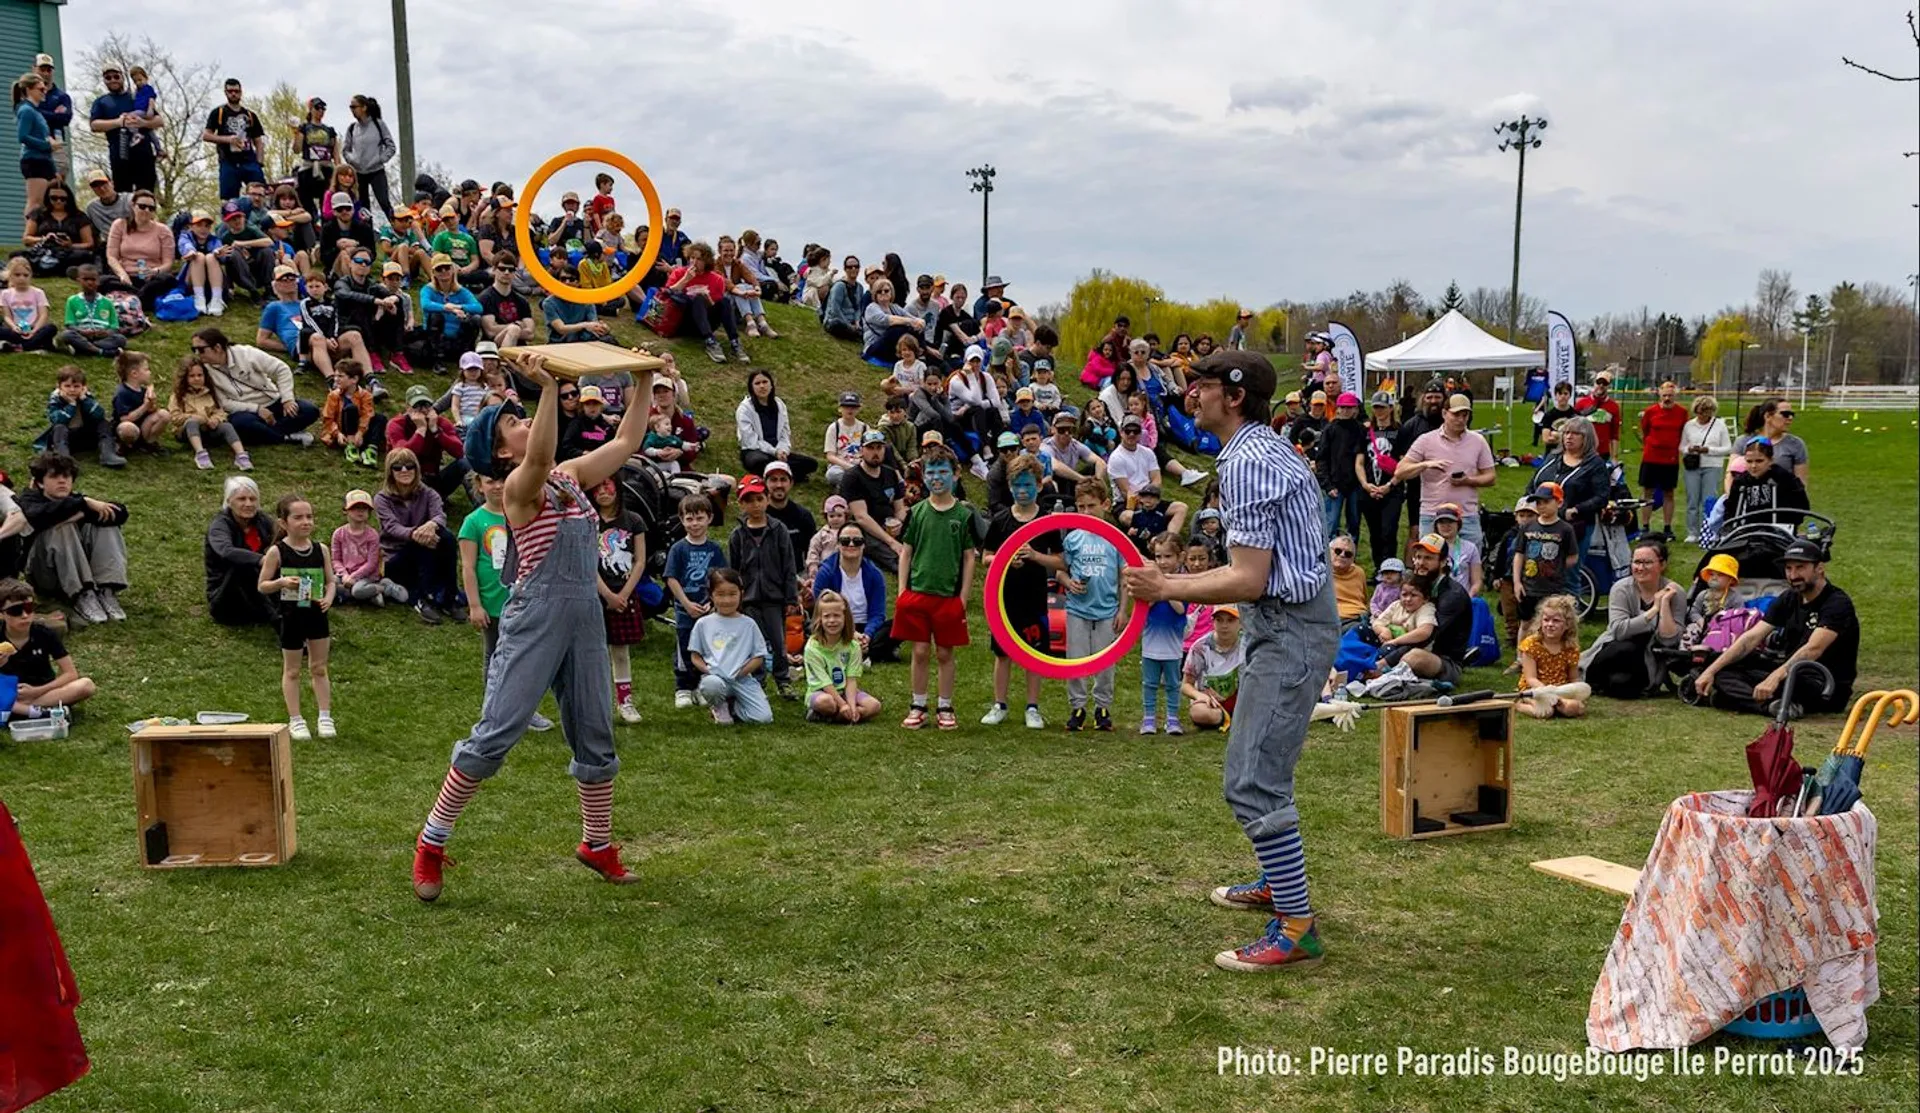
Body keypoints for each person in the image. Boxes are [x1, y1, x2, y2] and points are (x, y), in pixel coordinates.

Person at [1122, 348, 1340, 973]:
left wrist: (1165, 586)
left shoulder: (1247, 461)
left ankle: (1296, 927)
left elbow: (1248, 577)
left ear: (1235, 396)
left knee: (1251, 779)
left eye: (1203, 385)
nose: (1191, 393)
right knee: (1262, 768)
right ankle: (1278, 883)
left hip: (1290, 630)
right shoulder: (1257, 450)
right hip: (1287, 626)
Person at [411, 350, 655, 900]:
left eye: (524, 416)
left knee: (596, 730)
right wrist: (547, 390)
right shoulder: (521, 489)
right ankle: (431, 841)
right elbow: (539, 458)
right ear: (500, 452)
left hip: (584, 617)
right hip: (535, 616)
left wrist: (643, 378)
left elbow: (625, 444)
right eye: (512, 424)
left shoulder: (569, 477)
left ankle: (597, 843)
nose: (524, 425)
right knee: (497, 731)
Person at [1694, 539, 1857, 718]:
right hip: (1787, 671)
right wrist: (1710, 671)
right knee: (1720, 667)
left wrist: (1776, 676)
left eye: (1800, 567)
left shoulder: (1837, 603)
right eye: (1789, 568)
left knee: (1778, 680)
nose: (1793, 575)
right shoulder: (1789, 598)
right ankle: (1772, 706)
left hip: (1823, 683)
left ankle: (1732, 699)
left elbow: (1813, 649)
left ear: (1819, 568)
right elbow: (1751, 638)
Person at [894, 444, 978, 731]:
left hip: (948, 597)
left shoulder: (963, 515)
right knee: (919, 651)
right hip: (918, 593)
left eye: (943, 472)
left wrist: (964, 596)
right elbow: (906, 551)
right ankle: (918, 704)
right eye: (931, 472)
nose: (937, 478)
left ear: (955, 475)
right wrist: (902, 590)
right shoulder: (917, 512)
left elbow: (969, 557)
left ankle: (945, 704)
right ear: (924, 476)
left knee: (944, 652)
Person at [980, 455, 1061, 728]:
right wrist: (1005, 559)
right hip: (1005, 598)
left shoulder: (1046, 521)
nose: (1022, 490)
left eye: (1027, 484)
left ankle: (1032, 707)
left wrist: (1036, 556)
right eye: (1016, 485)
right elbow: (986, 557)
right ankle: (1000, 704)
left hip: (1035, 598)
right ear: (1009, 486)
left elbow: (1060, 561)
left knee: (1032, 653)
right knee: (1002, 653)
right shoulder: (1001, 519)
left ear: (1039, 485)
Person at [255, 494, 336, 740]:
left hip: (316, 615)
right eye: (298, 517)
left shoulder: (321, 549)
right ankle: (296, 719)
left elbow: (331, 580)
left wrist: (329, 598)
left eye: (309, 516)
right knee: (292, 670)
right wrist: (281, 582)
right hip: (290, 616)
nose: (305, 522)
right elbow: (262, 586)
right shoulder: (276, 552)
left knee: (319, 667)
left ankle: (325, 716)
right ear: (284, 522)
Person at [18, 452, 130, 627]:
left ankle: (106, 589)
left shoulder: (75, 501)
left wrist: (83, 508)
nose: (62, 481)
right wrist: (83, 504)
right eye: (54, 476)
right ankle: (82, 595)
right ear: (40, 482)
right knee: (62, 529)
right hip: (45, 574)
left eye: (67, 476)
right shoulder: (29, 500)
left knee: (105, 524)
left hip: (77, 569)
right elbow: (38, 516)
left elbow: (119, 513)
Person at [1580, 540, 1685, 700]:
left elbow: (1670, 640)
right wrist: (1652, 611)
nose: (1640, 568)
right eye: (1636, 562)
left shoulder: (1675, 592)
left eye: (1647, 562)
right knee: (1626, 648)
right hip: (1615, 649)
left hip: (1647, 655)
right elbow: (1618, 631)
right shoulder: (1621, 588)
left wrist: (1663, 605)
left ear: (1662, 564)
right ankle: (1594, 680)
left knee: (1625, 689)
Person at [1393, 393, 1496, 550]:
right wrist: (1426, 465)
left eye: (1465, 414)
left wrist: (1468, 480)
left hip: (1466, 516)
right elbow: (1400, 471)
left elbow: (1490, 477)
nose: (1460, 419)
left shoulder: (1478, 441)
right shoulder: (1426, 440)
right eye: (1456, 414)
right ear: (1444, 413)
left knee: (1469, 565)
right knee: (1429, 564)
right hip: (1432, 515)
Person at [728, 474, 799, 701]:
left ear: (767, 500)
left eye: (759, 499)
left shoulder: (779, 530)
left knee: (778, 642)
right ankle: (757, 680)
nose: (755, 505)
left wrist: (790, 598)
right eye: (749, 500)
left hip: (774, 597)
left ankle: (783, 680)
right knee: (753, 644)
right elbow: (733, 570)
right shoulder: (737, 535)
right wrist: (735, 599)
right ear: (741, 504)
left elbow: (789, 566)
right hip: (748, 599)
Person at [589, 478, 648, 725]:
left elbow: (640, 560)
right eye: (597, 487)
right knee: (594, 652)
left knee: (621, 652)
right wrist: (608, 595)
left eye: (608, 486)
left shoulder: (633, 520)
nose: (603, 491)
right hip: (595, 594)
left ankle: (625, 702)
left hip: (625, 592)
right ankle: (597, 704)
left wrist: (622, 594)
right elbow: (587, 562)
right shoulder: (587, 521)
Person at [376, 447, 457, 624]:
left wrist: (431, 525)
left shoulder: (429, 493)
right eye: (398, 467)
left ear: (416, 468)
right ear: (390, 472)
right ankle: (421, 599)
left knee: (447, 537)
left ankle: (449, 596)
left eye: (409, 465)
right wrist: (416, 534)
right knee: (422, 543)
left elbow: (439, 515)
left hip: (426, 548)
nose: (404, 470)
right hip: (394, 557)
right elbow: (391, 528)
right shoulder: (382, 499)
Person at [665, 494, 728, 710]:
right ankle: (683, 687)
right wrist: (685, 603)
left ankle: (703, 684)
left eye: (699, 518)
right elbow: (671, 578)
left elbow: (720, 578)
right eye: (689, 519)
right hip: (685, 610)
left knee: (707, 648)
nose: (695, 524)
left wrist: (712, 603)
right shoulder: (678, 549)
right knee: (685, 648)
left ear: (709, 518)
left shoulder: (715, 550)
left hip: (708, 610)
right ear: (682, 520)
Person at [0, 577, 96, 717]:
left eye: (29, 608)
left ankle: (21, 710)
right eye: (16, 611)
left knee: (86, 685)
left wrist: (36, 691)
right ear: (2, 614)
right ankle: (35, 711)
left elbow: (70, 673)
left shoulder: (44, 633)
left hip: (44, 691)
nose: (25, 615)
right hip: (7, 691)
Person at [689, 568, 773, 725]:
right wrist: (709, 671)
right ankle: (719, 706)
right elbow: (695, 656)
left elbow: (759, 656)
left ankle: (734, 707)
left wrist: (741, 672)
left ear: (741, 593)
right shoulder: (703, 624)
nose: (726, 600)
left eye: (732, 594)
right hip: (716, 678)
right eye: (720, 594)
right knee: (710, 684)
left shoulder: (748, 624)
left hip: (742, 679)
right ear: (711, 595)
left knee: (764, 718)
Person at [811, 520, 895, 665]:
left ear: (864, 545)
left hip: (866, 626)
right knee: (820, 628)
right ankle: (868, 653)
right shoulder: (826, 572)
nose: (851, 545)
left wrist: (866, 635)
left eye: (857, 541)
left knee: (898, 625)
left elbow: (877, 613)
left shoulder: (875, 574)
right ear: (837, 545)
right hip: (837, 624)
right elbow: (819, 609)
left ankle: (860, 650)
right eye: (845, 541)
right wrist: (851, 633)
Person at [1398, 534, 1473, 686]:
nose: (1420, 563)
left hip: (1443, 660)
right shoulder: (1416, 584)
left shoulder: (1453, 595)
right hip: (1406, 642)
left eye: (1428, 558)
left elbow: (1427, 636)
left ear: (1443, 562)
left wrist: (1387, 656)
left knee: (1413, 658)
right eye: (1418, 557)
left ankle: (1385, 672)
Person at [1530, 415, 1610, 552]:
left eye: (1575, 433)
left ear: (1586, 438)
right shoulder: (1552, 458)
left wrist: (1575, 510)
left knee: (1567, 569)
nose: (1569, 437)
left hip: (1574, 525)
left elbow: (1602, 497)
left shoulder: (1595, 464)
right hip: (1541, 520)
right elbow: (1533, 483)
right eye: (1566, 432)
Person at [205, 476, 277, 626]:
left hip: (261, 587)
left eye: (252, 499)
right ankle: (276, 620)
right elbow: (226, 551)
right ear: (229, 501)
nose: (248, 504)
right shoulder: (219, 525)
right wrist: (262, 560)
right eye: (241, 499)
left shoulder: (262, 520)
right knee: (243, 566)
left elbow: (281, 542)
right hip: (228, 599)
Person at [1138, 533, 1190, 735]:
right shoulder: (1150, 582)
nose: (1163, 561)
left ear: (1180, 557)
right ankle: (1148, 718)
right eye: (1158, 557)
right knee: (1149, 684)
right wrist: (1155, 587)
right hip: (1151, 645)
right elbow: (1144, 607)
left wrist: (1166, 589)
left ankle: (1173, 719)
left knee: (1173, 684)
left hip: (1173, 647)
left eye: (1168, 556)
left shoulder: (1184, 582)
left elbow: (1180, 609)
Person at [803, 591, 880, 724]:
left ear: (845, 618)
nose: (832, 620)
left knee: (874, 706)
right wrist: (842, 705)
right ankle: (823, 712)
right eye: (827, 616)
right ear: (819, 619)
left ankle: (841, 716)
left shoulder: (853, 646)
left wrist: (851, 705)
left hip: (845, 690)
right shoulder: (812, 648)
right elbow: (825, 683)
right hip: (822, 692)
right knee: (827, 703)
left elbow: (851, 680)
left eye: (837, 616)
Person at [667, 240, 748, 363]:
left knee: (724, 301)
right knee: (697, 298)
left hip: (707, 319)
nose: (694, 262)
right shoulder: (679, 273)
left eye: (698, 259)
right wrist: (685, 280)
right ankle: (710, 341)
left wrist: (707, 298)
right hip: (684, 319)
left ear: (706, 261)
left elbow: (716, 306)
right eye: (692, 258)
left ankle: (735, 342)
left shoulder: (716, 279)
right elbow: (666, 293)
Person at [386, 386, 469, 500]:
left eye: (426, 405)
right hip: (405, 476)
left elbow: (459, 451)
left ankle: (482, 505)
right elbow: (403, 456)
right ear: (408, 408)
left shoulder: (440, 422)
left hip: (433, 477)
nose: (423, 410)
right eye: (417, 406)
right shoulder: (396, 424)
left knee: (466, 463)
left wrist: (436, 431)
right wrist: (420, 430)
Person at [168, 354, 249, 470]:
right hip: (186, 431)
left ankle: (241, 455)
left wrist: (216, 419)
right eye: (192, 376)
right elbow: (175, 418)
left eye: (200, 375)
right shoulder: (178, 397)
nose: (197, 379)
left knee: (227, 426)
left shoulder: (210, 394)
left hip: (208, 430)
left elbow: (220, 411)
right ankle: (200, 453)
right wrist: (194, 417)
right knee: (192, 422)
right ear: (185, 378)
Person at [35, 364, 125, 468]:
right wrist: (71, 405)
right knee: (59, 427)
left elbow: (99, 414)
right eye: (67, 386)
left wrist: (85, 400)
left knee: (103, 423)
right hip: (65, 438)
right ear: (59, 387)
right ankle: (64, 460)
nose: (72, 390)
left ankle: (108, 454)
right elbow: (58, 419)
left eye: (76, 386)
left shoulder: (86, 398)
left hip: (84, 435)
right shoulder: (56, 400)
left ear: (83, 387)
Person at [735, 370, 818, 481]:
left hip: (778, 451)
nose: (762, 386)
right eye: (757, 383)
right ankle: (788, 474)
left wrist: (782, 450)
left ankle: (778, 473)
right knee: (758, 461)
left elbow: (785, 432)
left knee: (811, 464)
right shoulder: (745, 409)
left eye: (765, 382)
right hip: (756, 451)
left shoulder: (779, 405)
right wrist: (774, 451)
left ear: (771, 385)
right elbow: (750, 441)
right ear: (752, 388)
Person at [87, 66, 158, 193]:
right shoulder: (102, 102)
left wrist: (143, 122)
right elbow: (94, 125)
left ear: (122, 77)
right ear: (104, 80)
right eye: (108, 77)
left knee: (146, 196)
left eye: (116, 76)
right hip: (119, 156)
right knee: (123, 198)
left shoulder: (136, 97)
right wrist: (119, 122)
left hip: (144, 155)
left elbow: (159, 121)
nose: (112, 80)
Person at [104, 188, 176, 310]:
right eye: (142, 206)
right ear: (133, 206)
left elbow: (168, 262)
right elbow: (111, 256)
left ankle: (133, 299)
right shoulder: (120, 225)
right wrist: (122, 274)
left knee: (167, 279)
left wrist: (155, 271)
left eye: (151, 208)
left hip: (151, 278)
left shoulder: (163, 230)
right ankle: (141, 300)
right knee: (103, 281)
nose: (146, 210)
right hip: (126, 277)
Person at [839, 430, 907, 559]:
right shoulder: (853, 477)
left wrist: (899, 523)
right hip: (868, 529)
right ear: (861, 451)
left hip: (890, 524)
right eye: (870, 448)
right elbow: (861, 517)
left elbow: (900, 508)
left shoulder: (890, 473)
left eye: (879, 448)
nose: (875, 453)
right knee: (886, 551)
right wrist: (891, 541)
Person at [1517, 595, 1587, 719]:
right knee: (1546, 712)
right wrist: (1548, 692)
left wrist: (1576, 693)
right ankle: (1518, 705)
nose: (1550, 624)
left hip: (1561, 691)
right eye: (1546, 620)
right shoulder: (1531, 645)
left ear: (1567, 625)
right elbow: (1531, 678)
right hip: (1535, 690)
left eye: (1556, 621)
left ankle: (1559, 706)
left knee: (1575, 708)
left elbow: (1574, 678)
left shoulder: (1571, 648)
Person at [1357, 391, 1406, 566]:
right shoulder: (1366, 431)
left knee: (1389, 530)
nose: (1379, 411)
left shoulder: (1400, 431)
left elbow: (1403, 463)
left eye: (1383, 407)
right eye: (1376, 407)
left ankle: (1390, 566)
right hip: (1370, 488)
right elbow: (1359, 461)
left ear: (1391, 408)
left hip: (1392, 489)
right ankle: (1379, 567)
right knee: (1375, 532)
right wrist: (1365, 484)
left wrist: (1390, 485)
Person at [1635, 380, 1688, 538]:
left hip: (1670, 459)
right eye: (1664, 395)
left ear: (1675, 396)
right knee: (1647, 492)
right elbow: (1645, 430)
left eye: (1670, 396)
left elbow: (1683, 432)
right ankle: (1644, 525)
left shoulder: (1682, 412)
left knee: (1668, 493)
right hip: (1651, 457)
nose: (1667, 398)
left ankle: (1667, 527)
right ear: (1659, 394)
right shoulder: (1651, 411)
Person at [1678, 394, 1733, 544]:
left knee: (1709, 500)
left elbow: (1728, 448)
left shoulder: (1720, 425)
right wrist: (1690, 449)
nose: (1703, 416)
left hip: (1712, 466)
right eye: (1700, 412)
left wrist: (1708, 450)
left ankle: (1709, 530)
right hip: (1693, 466)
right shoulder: (1689, 425)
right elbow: (1681, 446)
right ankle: (1692, 532)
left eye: (1706, 412)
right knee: (1692, 500)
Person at [1181, 603, 1244, 732]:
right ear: (1213, 622)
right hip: (1211, 703)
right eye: (1219, 620)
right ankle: (1230, 719)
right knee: (1198, 712)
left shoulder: (1249, 646)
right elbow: (1186, 685)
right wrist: (1199, 696)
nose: (1224, 626)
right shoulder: (1199, 648)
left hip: (1242, 699)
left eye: (1230, 620)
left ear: (1241, 623)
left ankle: (1238, 716)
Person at [1722, 438, 1809, 529]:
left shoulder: (1783, 477)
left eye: (1759, 461)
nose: (1753, 466)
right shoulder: (1741, 481)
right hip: (1747, 532)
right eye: (1749, 461)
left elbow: (1801, 504)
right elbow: (1731, 509)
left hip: (1779, 531)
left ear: (1770, 460)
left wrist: (1792, 524)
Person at [202, 77, 265, 200]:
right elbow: (206, 135)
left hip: (249, 160)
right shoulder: (218, 113)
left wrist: (260, 162)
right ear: (225, 92)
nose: (233, 94)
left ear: (241, 92)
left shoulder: (250, 115)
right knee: (230, 200)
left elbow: (258, 141)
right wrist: (227, 139)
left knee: (259, 193)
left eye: (236, 91)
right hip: (228, 160)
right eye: (230, 91)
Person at [1317, 392, 1367, 539]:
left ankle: (1350, 556)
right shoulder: (1330, 429)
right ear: (1338, 408)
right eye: (1343, 407)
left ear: (1355, 409)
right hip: (1334, 485)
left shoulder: (1361, 430)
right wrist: (1327, 485)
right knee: (1330, 524)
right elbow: (1322, 459)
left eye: (1349, 407)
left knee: (1354, 524)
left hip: (1355, 485)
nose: (1345, 411)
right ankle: (1328, 557)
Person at [419, 253, 483, 369]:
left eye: (447, 267)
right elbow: (426, 305)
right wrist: (446, 307)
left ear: (452, 270)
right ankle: (436, 361)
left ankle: (465, 356)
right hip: (435, 339)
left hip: (457, 338)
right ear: (433, 272)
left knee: (475, 319)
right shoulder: (428, 289)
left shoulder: (462, 291)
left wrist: (459, 308)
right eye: (439, 269)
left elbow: (478, 307)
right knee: (435, 315)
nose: (444, 271)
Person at [1731, 398, 1810, 491]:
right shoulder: (1743, 441)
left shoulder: (1796, 444)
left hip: (1783, 501)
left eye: (1792, 414)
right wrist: (1733, 499)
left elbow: (1801, 482)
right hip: (1748, 499)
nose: (1790, 418)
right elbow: (1731, 475)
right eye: (1785, 414)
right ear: (1768, 416)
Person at [19, 181, 94, 277]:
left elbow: (89, 243)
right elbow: (26, 239)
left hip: (69, 252)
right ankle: (55, 268)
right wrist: (44, 239)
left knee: (85, 256)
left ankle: (48, 269)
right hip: (44, 250)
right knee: (17, 255)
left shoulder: (79, 216)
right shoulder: (38, 213)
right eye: (54, 198)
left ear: (68, 199)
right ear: (48, 198)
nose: (58, 201)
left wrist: (70, 245)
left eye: (63, 199)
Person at [13, 73, 60, 221]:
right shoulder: (26, 110)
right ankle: (30, 236)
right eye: (41, 89)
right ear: (29, 89)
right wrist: (47, 145)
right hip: (34, 160)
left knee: (46, 202)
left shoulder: (35, 111)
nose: (44, 91)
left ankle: (42, 234)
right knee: (35, 202)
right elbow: (23, 136)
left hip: (45, 160)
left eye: (45, 88)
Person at [320, 358, 384, 467]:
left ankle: (371, 449)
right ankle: (351, 446)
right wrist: (337, 434)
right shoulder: (333, 395)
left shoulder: (365, 395)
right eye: (335, 376)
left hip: (361, 431)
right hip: (343, 431)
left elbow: (367, 415)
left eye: (340, 376)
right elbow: (328, 418)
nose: (336, 379)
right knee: (350, 409)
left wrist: (360, 433)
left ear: (354, 379)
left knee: (380, 418)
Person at [341, 95, 396, 218]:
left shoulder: (378, 124)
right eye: (350, 107)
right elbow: (345, 150)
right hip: (359, 173)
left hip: (376, 171)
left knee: (384, 202)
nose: (352, 110)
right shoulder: (352, 128)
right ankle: (367, 235)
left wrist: (380, 159)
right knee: (363, 208)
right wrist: (352, 160)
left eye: (354, 107)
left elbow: (391, 147)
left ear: (364, 107)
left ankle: (397, 228)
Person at [56, 264, 127, 359]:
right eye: (85, 279)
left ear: (98, 281)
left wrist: (106, 333)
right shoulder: (72, 300)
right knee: (67, 334)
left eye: (93, 280)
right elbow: (70, 324)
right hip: (81, 335)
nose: (89, 283)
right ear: (78, 280)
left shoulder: (108, 302)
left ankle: (82, 348)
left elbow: (114, 327)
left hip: (101, 337)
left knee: (121, 339)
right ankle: (101, 351)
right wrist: (81, 331)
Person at [109, 349, 170, 457]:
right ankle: (125, 444)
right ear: (134, 374)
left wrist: (152, 403)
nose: (149, 372)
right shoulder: (122, 393)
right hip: (128, 428)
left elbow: (151, 411)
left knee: (164, 414)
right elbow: (125, 419)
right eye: (146, 369)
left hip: (142, 427)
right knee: (127, 428)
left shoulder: (143, 390)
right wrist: (145, 405)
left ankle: (149, 443)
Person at [761, 461, 816, 574]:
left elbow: (812, 551)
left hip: (797, 577)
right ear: (765, 483)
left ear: (791, 483)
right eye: (773, 480)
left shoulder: (803, 515)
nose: (779, 485)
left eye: (783, 479)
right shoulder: (756, 516)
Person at [477, 251, 536, 349]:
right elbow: (491, 331)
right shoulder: (485, 298)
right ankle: (504, 363)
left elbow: (530, 334)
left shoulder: (521, 301)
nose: (506, 272)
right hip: (492, 347)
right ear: (494, 270)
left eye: (511, 270)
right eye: (502, 269)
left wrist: (503, 328)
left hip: (519, 348)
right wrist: (517, 325)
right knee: (513, 329)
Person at [862, 278, 926, 365]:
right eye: (879, 291)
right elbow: (887, 320)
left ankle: (920, 353)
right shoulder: (872, 308)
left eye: (886, 290)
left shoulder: (894, 307)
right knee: (897, 329)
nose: (883, 293)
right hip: (875, 346)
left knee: (914, 327)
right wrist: (910, 321)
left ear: (891, 292)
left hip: (891, 346)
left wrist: (920, 322)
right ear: (875, 294)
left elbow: (912, 318)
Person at [1, 257, 57, 352]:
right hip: (16, 329)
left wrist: (34, 330)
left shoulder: (38, 292)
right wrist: (14, 327)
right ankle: (35, 344)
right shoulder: (5, 294)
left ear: (30, 276)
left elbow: (43, 314)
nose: (22, 278)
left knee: (51, 328)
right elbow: (7, 316)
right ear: (10, 276)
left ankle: (21, 347)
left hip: (34, 328)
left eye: (25, 275)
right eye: (17, 275)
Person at [822, 391, 869, 486]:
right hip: (840, 465)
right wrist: (848, 467)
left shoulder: (864, 428)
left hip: (859, 464)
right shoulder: (834, 428)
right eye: (846, 407)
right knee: (832, 475)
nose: (850, 410)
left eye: (853, 407)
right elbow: (830, 456)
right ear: (840, 409)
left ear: (858, 409)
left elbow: (868, 452)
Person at [1328, 535, 1368, 631]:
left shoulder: (1359, 572)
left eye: (1348, 554)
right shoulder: (1320, 572)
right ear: (1328, 551)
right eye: (1338, 551)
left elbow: (1364, 599)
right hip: (1332, 620)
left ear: (1353, 558)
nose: (1342, 555)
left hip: (1358, 617)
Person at [1579, 370, 1623, 458]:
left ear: (1609, 386)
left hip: (1603, 453)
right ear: (1594, 384)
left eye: (1605, 383)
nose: (1601, 386)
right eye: (1598, 382)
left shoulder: (1613, 406)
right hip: (1583, 451)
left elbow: (1615, 434)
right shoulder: (1581, 403)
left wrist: (1614, 457)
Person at [1534, 379, 1577, 447]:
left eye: (1565, 393)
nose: (1563, 396)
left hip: (1572, 452)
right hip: (1553, 452)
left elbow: (1580, 438)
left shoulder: (1576, 415)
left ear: (1570, 395)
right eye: (1560, 393)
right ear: (1555, 396)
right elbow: (1546, 439)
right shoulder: (1549, 415)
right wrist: (1567, 440)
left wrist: (1556, 436)